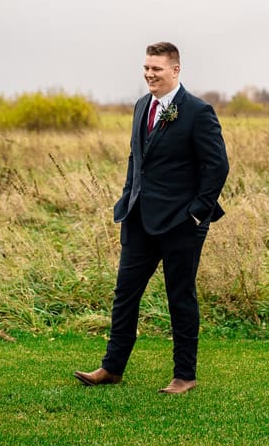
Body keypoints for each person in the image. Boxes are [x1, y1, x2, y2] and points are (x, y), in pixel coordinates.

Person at [74, 42, 228, 394]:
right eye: (146, 68)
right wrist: (128, 197)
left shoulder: (197, 111)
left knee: (180, 296)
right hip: (139, 218)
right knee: (125, 294)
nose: (149, 74)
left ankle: (184, 375)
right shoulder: (142, 106)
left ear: (175, 70)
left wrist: (196, 214)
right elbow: (137, 159)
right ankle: (112, 368)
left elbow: (217, 166)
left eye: (156, 69)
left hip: (181, 224)